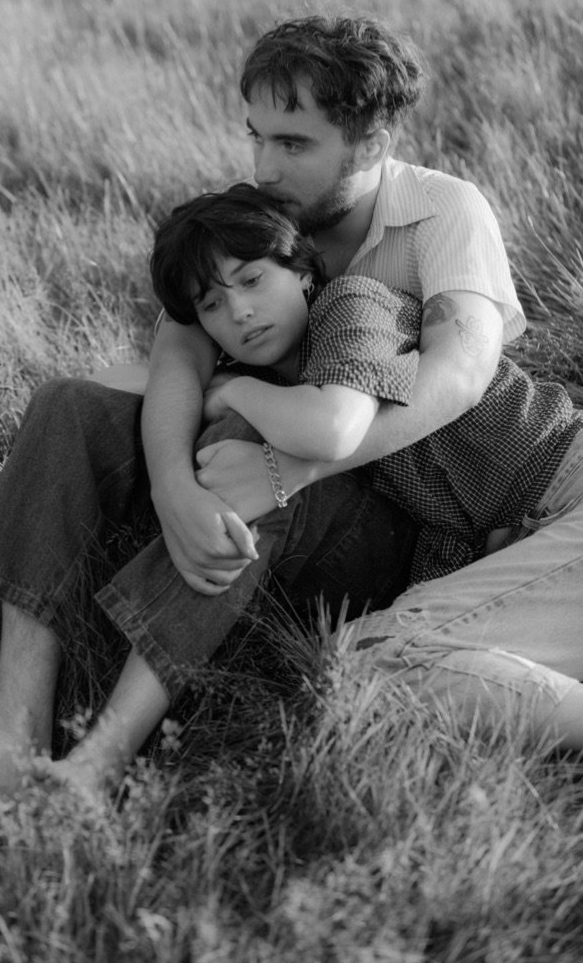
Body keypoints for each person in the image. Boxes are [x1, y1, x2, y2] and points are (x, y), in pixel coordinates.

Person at [0, 13, 524, 796]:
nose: (266, 166)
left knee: (245, 435)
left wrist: (285, 467)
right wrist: (171, 484)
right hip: (291, 453)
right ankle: (11, 725)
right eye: (257, 137)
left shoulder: (442, 212)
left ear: (370, 142)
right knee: (70, 401)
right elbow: (177, 352)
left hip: (404, 502)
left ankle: (98, 762)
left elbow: (462, 372)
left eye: (293, 144)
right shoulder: (265, 215)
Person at [39, 187, 583, 796]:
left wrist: (231, 391)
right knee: (362, 667)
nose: (239, 312)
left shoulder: (352, 307)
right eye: (213, 305)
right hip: (524, 542)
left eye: (251, 281)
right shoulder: (275, 377)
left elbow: (327, 430)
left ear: (303, 273)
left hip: (567, 493)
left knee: (378, 659)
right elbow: (112, 382)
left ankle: (101, 760)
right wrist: (198, 379)